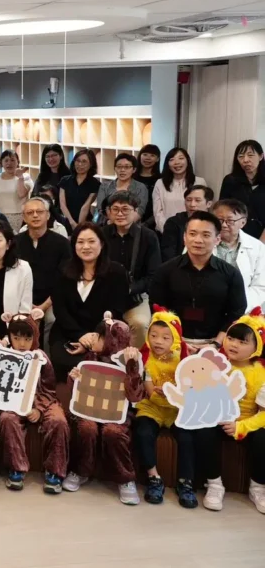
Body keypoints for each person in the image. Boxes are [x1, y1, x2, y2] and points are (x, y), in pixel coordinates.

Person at [121, 308, 196, 507]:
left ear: (175, 340)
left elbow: (190, 386)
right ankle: (153, 477)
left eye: (165, 337)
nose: (158, 341)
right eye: (153, 335)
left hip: (176, 408)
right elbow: (148, 387)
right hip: (151, 406)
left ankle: (185, 482)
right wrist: (155, 391)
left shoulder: (183, 360)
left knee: (187, 437)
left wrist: (173, 392)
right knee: (143, 432)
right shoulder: (145, 358)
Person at [64, 315, 139, 504]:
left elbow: (135, 396)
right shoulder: (91, 357)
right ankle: (80, 470)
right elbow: (77, 391)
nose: (93, 338)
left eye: (99, 336)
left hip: (116, 413)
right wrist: (74, 378)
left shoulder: (129, 360)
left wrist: (132, 368)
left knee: (113, 432)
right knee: (86, 428)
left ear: (112, 341)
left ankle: (125, 479)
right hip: (90, 409)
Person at [149, 211, 247, 350]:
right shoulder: (165, 271)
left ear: (217, 239)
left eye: (206, 235)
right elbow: (158, 308)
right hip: (172, 342)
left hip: (216, 342)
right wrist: (177, 342)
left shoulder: (231, 273)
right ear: (184, 237)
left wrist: (216, 344)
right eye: (192, 234)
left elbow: (236, 312)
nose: (198, 240)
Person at [198, 313, 265, 513]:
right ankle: (214, 484)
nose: (234, 344)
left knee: (263, 437)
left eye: (242, 342)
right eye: (231, 338)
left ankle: (258, 487)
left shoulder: (262, 373)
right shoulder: (215, 365)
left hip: (248, 422)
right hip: (219, 418)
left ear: (257, 347)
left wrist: (241, 426)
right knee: (203, 429)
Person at [0, 311, 69, 494]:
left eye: (27, 339)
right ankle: (16, 468)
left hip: (43, 399)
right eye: (16, 338)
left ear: (34, 337)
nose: (22, 344)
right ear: (10, 337)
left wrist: (38, 408)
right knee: (7, 419)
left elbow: (49, 388)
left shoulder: (41, 357)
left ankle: (54, 471)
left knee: (58, 421)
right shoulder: (5, 356)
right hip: (14, 401)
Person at [49, 223, 129, 380]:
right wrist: (80, 336)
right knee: (64, 359)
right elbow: (60, 310)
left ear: (102, 244)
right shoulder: (63, 270)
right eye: (80, 242)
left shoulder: (117, 272)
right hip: (68, 333)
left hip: (103, 336)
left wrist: (93, 340)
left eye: (91, 241)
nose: (86, 247)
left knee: (99, 365)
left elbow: (117, 309)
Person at [102, 191, 161, 343]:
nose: (120, 214)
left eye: (125, 209)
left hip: (135, 296)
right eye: (115, 209)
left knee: (140, 324)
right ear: (109, 212)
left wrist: (130, 288)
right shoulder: (101, 234)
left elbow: (153, 275)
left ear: (135, 211)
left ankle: (134, 356)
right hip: (104, 294)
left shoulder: (148, 237)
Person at [14, 197, 71, 350]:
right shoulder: (14, 242)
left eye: (39, 211)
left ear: (48, 215)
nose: (35, 215)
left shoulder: (62, 243)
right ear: (24, 217)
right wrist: (27, 303)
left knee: (52, 319)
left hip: (52, 299)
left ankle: (46, 359)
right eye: (30, 212)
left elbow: (64, 278)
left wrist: (44, 306)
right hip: (21, 297)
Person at [212, 199, 265, 311]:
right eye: (219, 220)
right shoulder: (199, 242)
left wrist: (240, 306)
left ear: (243, 222)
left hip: (245, 309)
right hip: (208, 306)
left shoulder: (257, 247)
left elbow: (261, 285)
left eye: (230, 221)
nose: (224, 225)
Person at [153, 147, 205, 233]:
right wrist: (168, 230)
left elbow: (203, 209)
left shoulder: (199, 182)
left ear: (188, 161)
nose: (176, 162)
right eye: (172, 159)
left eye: (181, 158)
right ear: (167, 164)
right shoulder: (160, 183)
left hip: (193, 231)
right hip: (166, 231)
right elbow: (157, 212)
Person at [220, 139, 265, 238]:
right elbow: (222, 209)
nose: (245, 160)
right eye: (241, 156)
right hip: (235, 234)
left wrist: (261, 243)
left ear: (261, 156)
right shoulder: (230, 180)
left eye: (250, 155)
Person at [161, 185, 213, 261]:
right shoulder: (174, 222)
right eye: (188, 200)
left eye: (197, 200)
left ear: (209, 204)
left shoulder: (215, 223)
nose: (192, 204)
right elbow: (168, 254)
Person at [95, 153, 148, 221]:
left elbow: (140, 211)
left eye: (127, 167)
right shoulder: (105, 186)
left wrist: (124, 223)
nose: (122, 170)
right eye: (119, 167)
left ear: (134, 169)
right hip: (108, 224)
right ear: (115, 168)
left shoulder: (141, 187)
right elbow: (101, 209)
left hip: (132, 224)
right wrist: (113, 222)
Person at [0, 150, 33, 231]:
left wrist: (20, 178)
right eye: (6, 160)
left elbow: (21, 194)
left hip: (19, 216)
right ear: (1, 163)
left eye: (12, 160)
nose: (9, 163)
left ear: (18, 162)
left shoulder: (26, 177)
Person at [59, 149, 99, 232]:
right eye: (78, 161)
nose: (80, 164)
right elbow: (62, 204)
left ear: (91, 164)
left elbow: (85, 207)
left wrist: (79, 227)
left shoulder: (95, 184)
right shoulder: (65, 180)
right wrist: (72, 223)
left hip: (84, 222)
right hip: (65, 220)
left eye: (84, 162)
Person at [135, 144, 162, 230]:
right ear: (140, 156)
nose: (148, 158)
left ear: (157, 159)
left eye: (152, 155)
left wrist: (147, 223)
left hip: (154, 222)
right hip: (131, 220)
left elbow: (162, 204)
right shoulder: (131, 177)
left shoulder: (161, 179)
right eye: (145, 154)